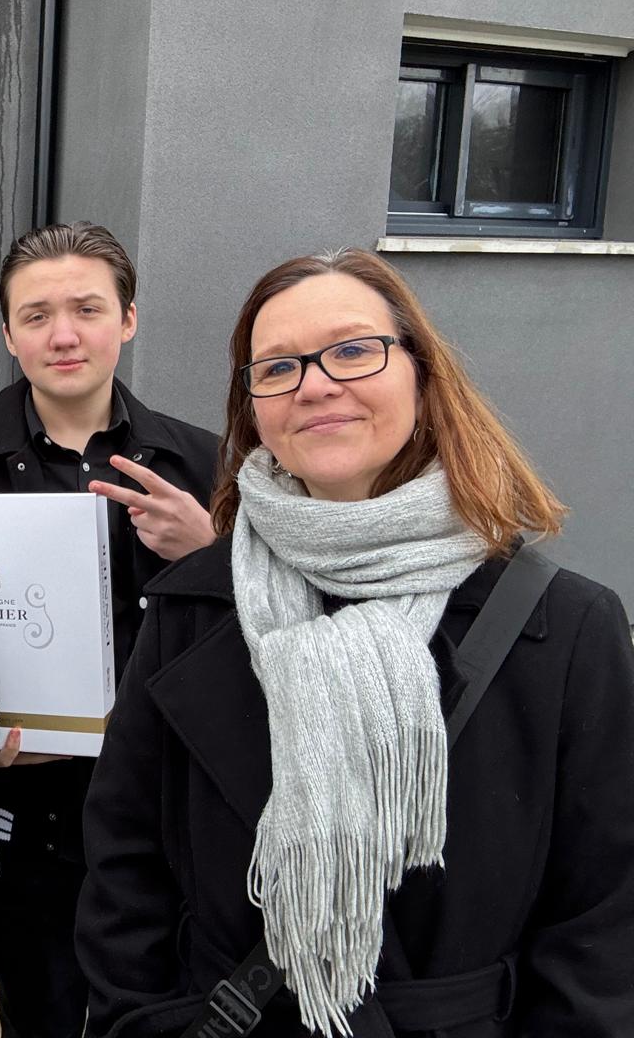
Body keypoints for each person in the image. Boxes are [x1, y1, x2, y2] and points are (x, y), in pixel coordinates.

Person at [76, 248, 634, 1037]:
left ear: (421, 372)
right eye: (276, 367)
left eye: (351, 350)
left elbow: (604, 918)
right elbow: (124, 862)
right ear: (253, 408)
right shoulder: (192, 608)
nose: (313, 384)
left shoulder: (567, 627)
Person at [0, 222, 218, 1038]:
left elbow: (271, 632)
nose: (64, 335)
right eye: (37, 315)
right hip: (29, 826)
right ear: (9, 335)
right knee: (45, 1014)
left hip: (176, 821)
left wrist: (211, 554)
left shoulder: (209, 465)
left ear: (128, 320)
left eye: (88, 309)